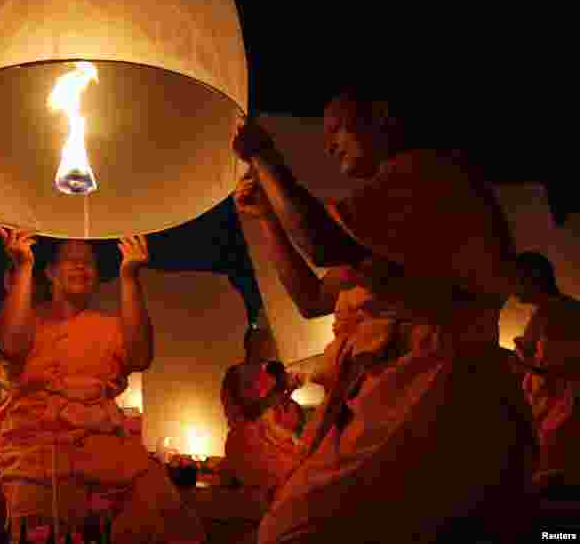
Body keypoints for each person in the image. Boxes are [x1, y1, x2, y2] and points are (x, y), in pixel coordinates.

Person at [231, 90, 534, 543]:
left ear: (383, 119)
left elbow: (322, 243)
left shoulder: (427, 176)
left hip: (433, 388)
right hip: (402, 391)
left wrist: (266, 157)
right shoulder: (390, 222)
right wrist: (267, 220)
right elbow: (313, 298)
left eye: (339, 129)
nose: (330, 145)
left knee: (296, 528)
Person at [0, 229, 205, 543]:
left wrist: (130, 276)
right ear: (49, 272)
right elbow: (10, 346)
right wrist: (24, 267)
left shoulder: (109, 325)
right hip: (36, 446)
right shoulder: (28, 319)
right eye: (70, 260)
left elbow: (141, 356)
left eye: (88, 263)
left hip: (106, 444)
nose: (81, 267)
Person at [512, 251, 580, 496]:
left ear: (533, 278)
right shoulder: (549, 311)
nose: (510, 288)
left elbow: (555, 366)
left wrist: (519, 361)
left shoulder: (559, 313)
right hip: (550, 407)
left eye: (514, 279)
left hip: (562, 411)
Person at [219, 327, 304, 513]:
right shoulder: (236, 373)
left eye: (269, 341)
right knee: (285, 472)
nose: (269, 346)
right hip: (247, 441)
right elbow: (249, 412)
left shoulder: (272, 374)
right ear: (249, 344)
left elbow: (280, 412)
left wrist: (289, 390)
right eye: (263, 341)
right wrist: (279, 389)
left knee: (304, 465)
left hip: (273, 438)